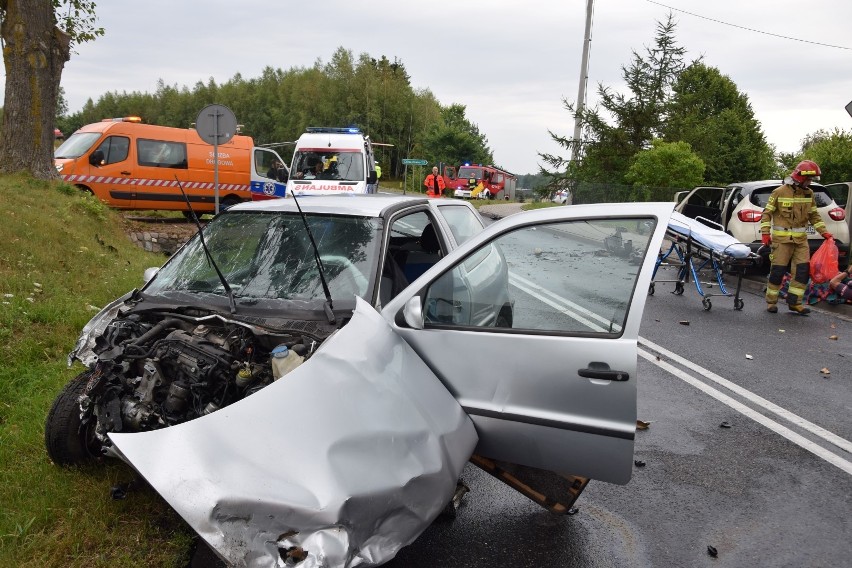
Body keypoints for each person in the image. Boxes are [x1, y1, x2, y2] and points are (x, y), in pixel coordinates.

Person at [761, 160, 832, 314]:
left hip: (801, 241)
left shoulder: (809, 193)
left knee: (802, 272)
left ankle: (795, 303)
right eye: (809, 179)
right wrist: (765, 233)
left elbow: (814, 215)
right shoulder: (779, 192)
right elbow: (766, 213)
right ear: (800, 178)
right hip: (782, 242)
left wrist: (824, 232)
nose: (810, 182)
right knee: (778, 272)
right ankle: (771, 302)